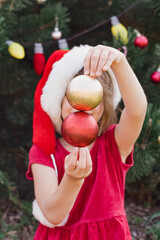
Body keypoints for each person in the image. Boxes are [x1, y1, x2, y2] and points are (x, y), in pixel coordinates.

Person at [26, 44, 147, 239]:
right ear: (59, 100)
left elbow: (137, 111)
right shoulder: (44, 153)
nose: (82, 104)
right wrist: (73, 179)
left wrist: (120, 62)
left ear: (104, 105)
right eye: (74, 94)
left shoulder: (113, 144)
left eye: (93, 96)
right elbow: (52, 214)